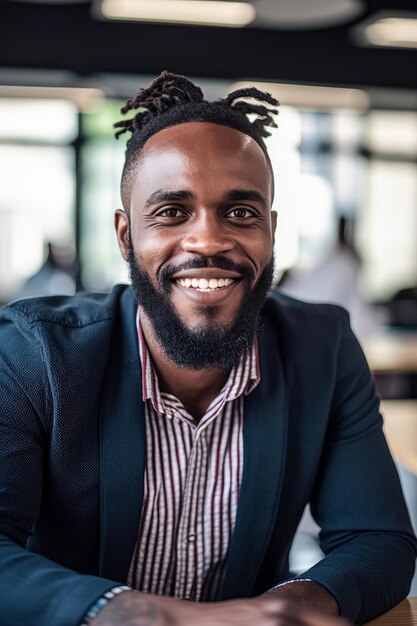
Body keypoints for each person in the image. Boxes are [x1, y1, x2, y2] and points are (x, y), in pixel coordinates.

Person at [0, 71, 415, 626]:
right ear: (126, 235)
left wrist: (286, 609)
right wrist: (145, 615)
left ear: (270, 231)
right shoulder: (35, 352)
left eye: (240, 213)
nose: (209, 240)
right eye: (172, 212)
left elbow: (378, 539)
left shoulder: (324, 347)